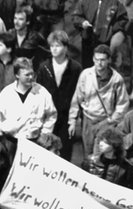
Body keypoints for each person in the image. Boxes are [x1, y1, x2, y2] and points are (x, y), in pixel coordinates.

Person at [68, 44, 130, 157]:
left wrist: (112, 120)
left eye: (102, 60)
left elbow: (123, 103)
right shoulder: (86, 75)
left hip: (105, 121)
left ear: (109, 60)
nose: (99, 63)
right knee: (88, 154)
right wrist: (72, 120)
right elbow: (77, 98)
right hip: (88, 120)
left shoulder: (116, 79)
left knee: (102, 154)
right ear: (93, 59)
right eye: (96, 59)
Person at [0, 57, 57, 160]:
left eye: (32, 74)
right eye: (27, 75)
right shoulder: (6, 94)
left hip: (34, 142)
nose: (31, 77)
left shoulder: (42, 93)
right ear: (17, 75)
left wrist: (45, 132)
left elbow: (51, 115)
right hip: (11, 142)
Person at [36, 30, 83, 161]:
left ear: (66, 47)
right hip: (47, 117)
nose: (54, 49)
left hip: (66, 118)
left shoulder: (75, 68)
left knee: (65, 153)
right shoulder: (44, 67)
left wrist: (74, 120)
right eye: (52, 46)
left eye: (58, 46)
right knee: (46, 152)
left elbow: (79, 95)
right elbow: (38, 93)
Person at [72, 0, 128, 68]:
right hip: (87, 40)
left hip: (105, 40)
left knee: (102, 65)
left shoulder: (115, 2)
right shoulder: (84, 1)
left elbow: (123, 19)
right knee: (87, 66)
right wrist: (82, 22)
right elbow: (76, 16)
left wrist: (111, 29)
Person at [9, 5, 48, 70]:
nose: (16, 22)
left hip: (30, 71)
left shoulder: (35, 37)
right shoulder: (9, 34)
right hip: (12, 71)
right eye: (15, 18)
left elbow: (48, 54)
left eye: (20, 19)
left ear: (28, 21)